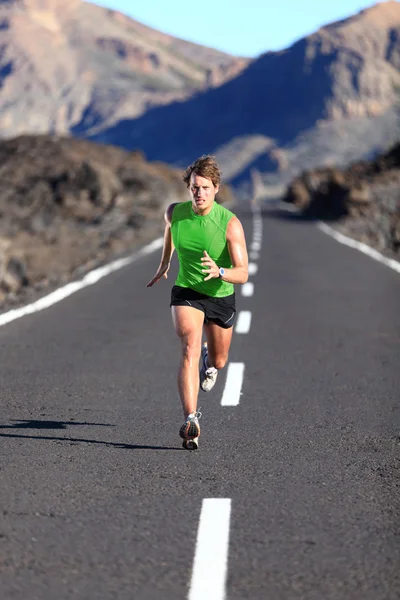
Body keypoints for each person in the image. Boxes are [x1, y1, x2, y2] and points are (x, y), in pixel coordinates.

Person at [147, 155, 248, 450]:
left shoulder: (230, 224)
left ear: (216, 188)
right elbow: (170, 231)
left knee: (219, 360)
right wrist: (165, 263)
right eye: (194, 187)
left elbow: (243, 273)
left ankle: (210, 361)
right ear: (188, 188)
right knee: (189, 344)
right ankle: (191, 419)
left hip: (219, 296)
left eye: (204, 187)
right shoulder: (174, 213)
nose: (199, 193)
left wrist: (220, 272)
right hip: (186, 292)